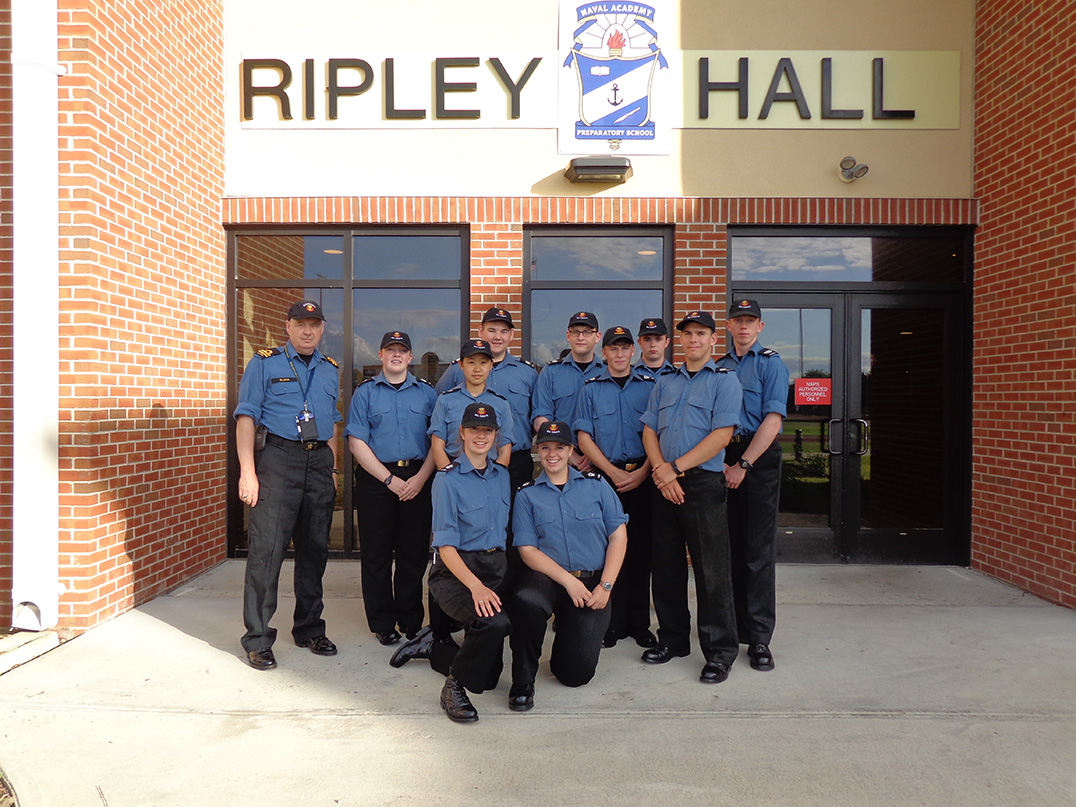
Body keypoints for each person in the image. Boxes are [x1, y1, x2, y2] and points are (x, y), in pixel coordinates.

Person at [234, 300, 342, 671]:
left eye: (314, 324)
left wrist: (332, 469)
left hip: (319, 462)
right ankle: (258, 638)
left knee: (314, 551)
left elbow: (332, 422)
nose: (307, 331)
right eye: (300, 324)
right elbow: (246, 417)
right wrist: (248, 472)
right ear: (288, 327)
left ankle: (309, 628)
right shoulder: (264, 363)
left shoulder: (330, 369)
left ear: (322, 329)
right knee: (267, 551)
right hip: (278, 461)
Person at [640, 311, 743, 684]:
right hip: (663, 482)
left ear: (713, 339)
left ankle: (719, 652)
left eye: (701, 333)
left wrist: (674, 469)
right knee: (666, 567)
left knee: (711, 572)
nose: (694, 339)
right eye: (688, 334)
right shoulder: (665, 381)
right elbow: (649, 429)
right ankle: (673, 640)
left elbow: (722, 435)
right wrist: (660, 470)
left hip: (701, 484)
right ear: (680, 340)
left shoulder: (725, 381)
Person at [507, 421, 628, 711]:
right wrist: (568, 581)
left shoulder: (597, 486)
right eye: (545, 447)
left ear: (571, 450)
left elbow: (618, 536)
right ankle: (523, 681)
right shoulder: (527, 495)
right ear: (538, 451)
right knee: (526, 601)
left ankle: (567, 633)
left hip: (591, 583)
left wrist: (606, 586)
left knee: (575, 675)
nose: (552, 454)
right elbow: (527, 550)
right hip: (548, 578)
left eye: (559, 447)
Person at [345, 330, 437, 647]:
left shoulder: (427, 394)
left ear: (410, 357)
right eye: (390, 349)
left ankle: (410, 620)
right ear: (381, 355)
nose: (396, 354)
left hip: (417, 477)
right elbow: (356, 441)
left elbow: (436, 442)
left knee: (414, 553)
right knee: (377, 554)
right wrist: (388, 479)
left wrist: (420, 478)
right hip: (376, 479)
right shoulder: (365, 393)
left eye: (402, 350)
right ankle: (383, 622)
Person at [426, 402, 513, 723]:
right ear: (461, 433)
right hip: (455, 571)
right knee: (494, 623)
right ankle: (453, 687)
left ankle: (433, 648)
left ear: (495, 436)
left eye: (487, 430)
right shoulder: (447, 480)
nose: (481, 436)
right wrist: (476, 587)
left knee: (488, 679)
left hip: (494, 567)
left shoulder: (502, 476)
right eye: (474, 429)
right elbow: (445, 547)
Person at [573, 325, 657, 649]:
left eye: (625, 348)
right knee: (608, 550)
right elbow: (584, 438)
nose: (619, 354)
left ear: (633, 351)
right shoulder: (590, 389)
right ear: (604, 352)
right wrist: (611, 472)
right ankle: (612, 622)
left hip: (643, 476)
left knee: (641, 552)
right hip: (607, 479)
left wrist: (643, 472)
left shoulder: (650, 386)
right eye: (613, 348)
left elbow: (657, 433)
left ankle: (639, 624)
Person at [717, 299, 790, 672]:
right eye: (738, 320)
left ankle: (759, 638)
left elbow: (773, 420)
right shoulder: (720, 366)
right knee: (727, 549)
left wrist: (743, 464)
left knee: (757, 552)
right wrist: (722, 462)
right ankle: (731, 630)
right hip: (722, 455)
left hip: (757, 458)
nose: (743, 326)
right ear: (729, 326)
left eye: (750, 321)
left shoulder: (771, 363)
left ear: (760, 327)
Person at [436, 306, 539, 493]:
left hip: (514, 461)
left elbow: (535, 415)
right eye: (491, 330)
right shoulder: (455, 371)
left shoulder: (527, 372)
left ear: (511, 335)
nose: (497, 337)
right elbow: (439, 411)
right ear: (480, 331)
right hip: (461, 462)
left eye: (504, 331)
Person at [532, 311, 604, 469]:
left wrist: (595, 457)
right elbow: (541, 420)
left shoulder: (607, 373)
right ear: (568, 336)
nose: (580, 337)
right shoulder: (551, 373)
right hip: (561, 460)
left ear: (597, 336)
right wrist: (570, 454)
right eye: (575, 332)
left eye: (587, 332)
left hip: (604, 459)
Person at [428, 339, 515, 469]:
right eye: (471, 362)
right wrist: (449, 476)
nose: (477, 369)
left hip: (489, 471)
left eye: (483, 363)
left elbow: (505, 449)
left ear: (491, 365)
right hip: (453, 468)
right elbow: (437, 446)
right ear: (461, 365)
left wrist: (497, 476)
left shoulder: (501, 403)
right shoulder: (446, 400)